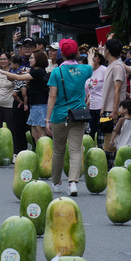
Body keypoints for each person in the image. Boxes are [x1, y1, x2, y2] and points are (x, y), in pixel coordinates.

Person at [46, 38, 94, 195]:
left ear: (62, 53)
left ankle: (56, 182)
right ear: (77, 53)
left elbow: (52, 97)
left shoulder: (56, 72)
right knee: (75, 150)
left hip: (59, 115)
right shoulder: (84, 69)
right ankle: (73, 183)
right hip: (78, 115)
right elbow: (91, 66)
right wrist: (92, 56)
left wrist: (47, 119)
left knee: (58, 150)